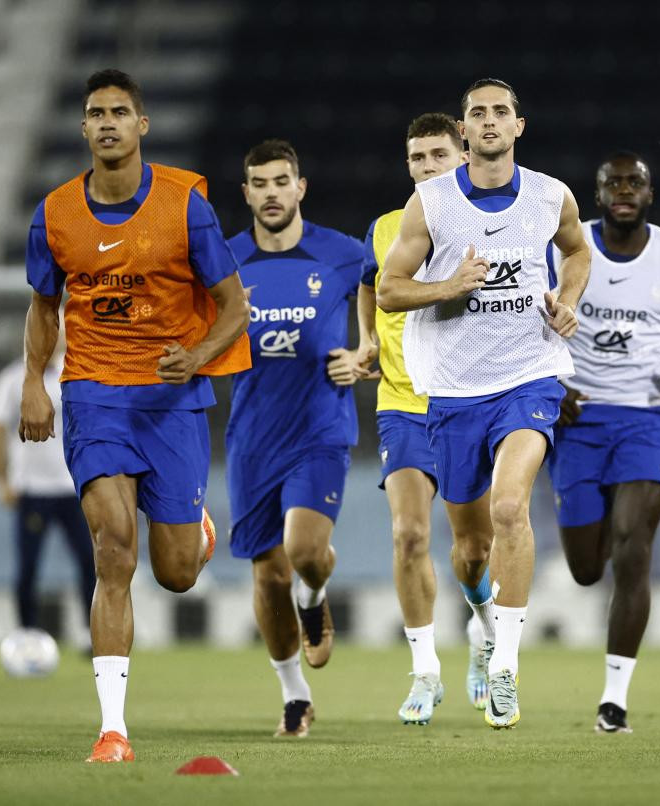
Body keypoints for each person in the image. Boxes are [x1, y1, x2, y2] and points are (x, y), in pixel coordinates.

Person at [18, 69, 250, 762]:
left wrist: (200, 353)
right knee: (112, 547)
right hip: (93, 393)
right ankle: (112, 729)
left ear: (142, 124)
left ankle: (194, 530)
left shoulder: (185, 206)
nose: (109, 122)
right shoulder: (55, 213)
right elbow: (43, 306)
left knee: (175, 572)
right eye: (97, 113)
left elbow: (234, 305)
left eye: (121, 111)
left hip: (172, 400)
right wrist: (36, 380)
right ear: (84, 128)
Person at [378, 78, 591, 729]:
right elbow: (388, 289)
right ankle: (479, 624)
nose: (491, 121)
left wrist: (570, 300)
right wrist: (448, 286)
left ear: (519, 126)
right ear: (464, 131)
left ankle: (504, 669)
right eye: (479, 113)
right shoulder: (431, 204)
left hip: (531, 376)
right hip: (453, 389)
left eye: (502, 112)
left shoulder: (551, 195)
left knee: (509, 507)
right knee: (469, 547)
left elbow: (578, 250)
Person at [547, 152, 660, 733]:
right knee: (584, 569)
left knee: (633, 545)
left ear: (651, 193)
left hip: (647, 419)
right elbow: (523, 317)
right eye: (613, 183)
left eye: (636, 182)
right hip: (578, 421)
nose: (624, 190)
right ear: (597, 196)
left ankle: (614, 701)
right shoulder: (563, 250)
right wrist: (553, 385)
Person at [224, 139, 365, 738]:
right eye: (260, 183)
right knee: (268, 575)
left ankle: (316, 597)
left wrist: (366, 354)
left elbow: (389, 300)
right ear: (247, 193)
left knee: (304, 553)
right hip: (253, 438)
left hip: (319, 430)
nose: (272, 192)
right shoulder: (225, 263)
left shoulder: (343, 254)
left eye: (282, 180)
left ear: (300, 187)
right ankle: (294, 694)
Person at [356, 112, 489, 725]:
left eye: (438, 155)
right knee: (409, 534)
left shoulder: (491, 225)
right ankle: (425, 671)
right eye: (417, 158)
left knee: (473, 548)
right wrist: (365, 342)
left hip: (468, 399)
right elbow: (371, 284)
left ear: (462, 155)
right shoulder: (386, 229)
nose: (427, 167)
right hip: (403, 403)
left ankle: (485, 631)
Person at [0, 333, 95, 637]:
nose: (57, 338)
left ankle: (91, 632)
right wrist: (1, 479)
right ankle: (27, 633)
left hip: (72, 487)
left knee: (90, 560)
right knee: (28, 566)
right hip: (32, 489)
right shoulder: (13, 379)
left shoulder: (74, 373)